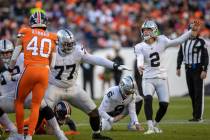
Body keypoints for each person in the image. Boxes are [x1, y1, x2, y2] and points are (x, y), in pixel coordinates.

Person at [40, 29, 129, 140]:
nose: (69, 46)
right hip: (54, 87)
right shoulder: (50, 51)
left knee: (94, 112)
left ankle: (96, 135)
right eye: (66, 44)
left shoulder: (77, 50)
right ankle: (28, 134)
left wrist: (114, 65)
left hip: (72, 87)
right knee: (41, 109)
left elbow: (95, 59)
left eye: (71, 44)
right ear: (58, 42)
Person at [134, 20, 200, 135]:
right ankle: (150, 127)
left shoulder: (162, 40)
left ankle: (155, 124)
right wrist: (139, 65)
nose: (145, 32)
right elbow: (139, 57)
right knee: (148, 99)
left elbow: (178, 41)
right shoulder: (139, 46)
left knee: (164, 105)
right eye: (144, 30)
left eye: (148, 30)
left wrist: (190, 31)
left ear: (154, 30)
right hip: (148, 78)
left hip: (161, 78)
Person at [8, 11, 57, 140]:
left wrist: (10, 69)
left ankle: (19, 134)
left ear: (32, 22)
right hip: (44, 72)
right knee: (36, 105)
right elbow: (53, 62)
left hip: (30, 69)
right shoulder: (52, 36)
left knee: (18, 102)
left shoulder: (25, 31)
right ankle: (29, 136)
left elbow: (15, 55)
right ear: (45, 23)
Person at [176, 24, 209, 122]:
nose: (195, 32)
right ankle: (195, 115)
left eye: (196, 30)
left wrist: (204, 70)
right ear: (189, 31)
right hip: (188, 69)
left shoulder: (201, 42)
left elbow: (205, 57)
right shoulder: (184, 42)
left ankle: (198, 116)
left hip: (198, 69)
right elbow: (180, 55)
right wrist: (178, 67)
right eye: (193, 30)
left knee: (198, 93)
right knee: (192, 93)